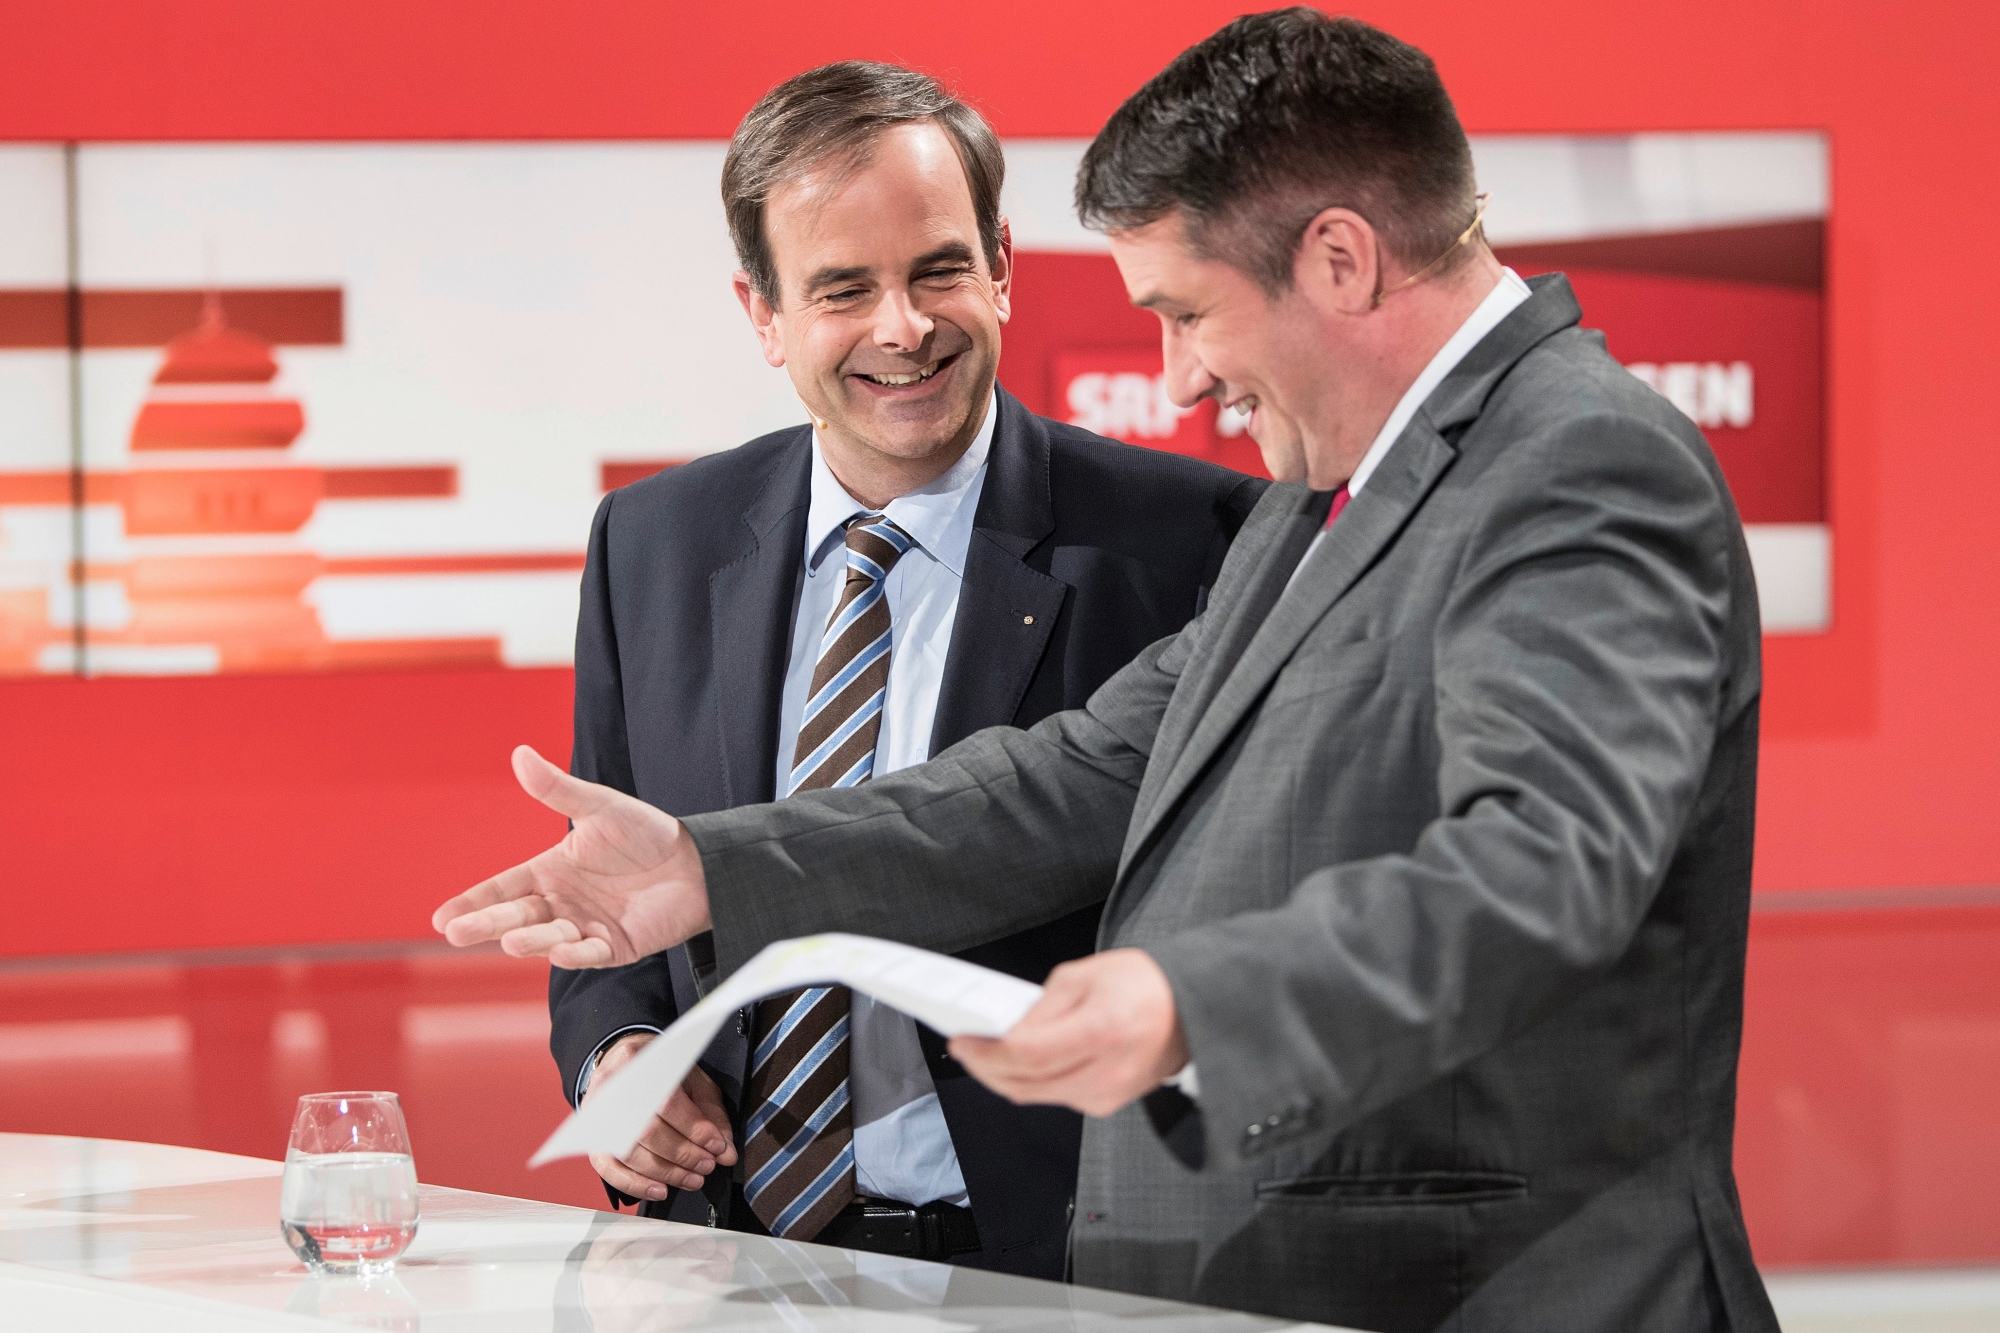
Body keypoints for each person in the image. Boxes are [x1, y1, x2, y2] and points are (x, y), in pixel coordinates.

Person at [439, 12, 1779, 1330]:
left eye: (1188, 312)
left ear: (1340, 259)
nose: (1180, 376)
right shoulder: (1341, 501)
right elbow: (1080, 771)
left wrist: (1188, 996)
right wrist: (712, 869)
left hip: (1511, 1287)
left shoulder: (1576, 460)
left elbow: (1547, 863)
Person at [543, 60, 1264, 1280]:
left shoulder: (1188, 543)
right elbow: (620, 908)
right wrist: (616, 1056)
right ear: (761, 314)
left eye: (937, 269)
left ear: (1001, 267)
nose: (902, 326)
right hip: (723, 1262)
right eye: (841, 288)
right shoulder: (651, 543)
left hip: (1056, 1269)